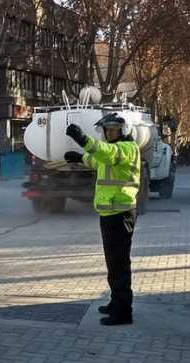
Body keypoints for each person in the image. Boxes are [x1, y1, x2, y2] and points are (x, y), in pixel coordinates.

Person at [63, 113, 140, 326]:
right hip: (110, 214)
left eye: (114, 129)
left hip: (120, 214)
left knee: (119, 264)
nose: (109, 133)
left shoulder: (126, 149)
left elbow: (106, 154)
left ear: (124, 130)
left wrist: (83, 140)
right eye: (107, 130)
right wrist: (81, 158)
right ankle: (116, 303)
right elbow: (99, 161)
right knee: (113, 264)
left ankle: (123, 313)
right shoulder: (113, 151)